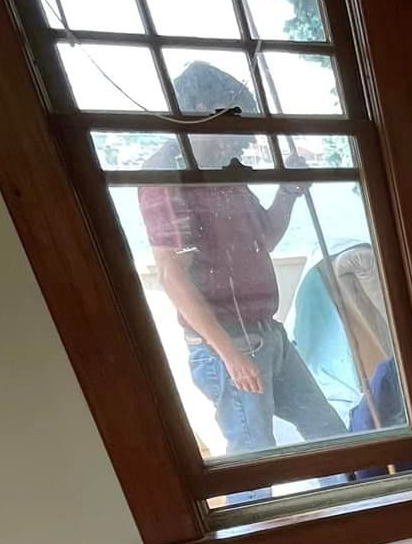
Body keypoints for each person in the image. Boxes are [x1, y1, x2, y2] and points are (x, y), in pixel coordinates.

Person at [139, 62, 346, 458]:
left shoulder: (223, 171)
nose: (240, 139)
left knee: (329, 431)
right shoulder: (167, 173)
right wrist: (230, 356)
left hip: (268, 333)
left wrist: (288, 192)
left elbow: (262, 239)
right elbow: (171, 274)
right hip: (227, 343)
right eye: (234, 123)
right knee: (255, 453)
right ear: (203, 111)